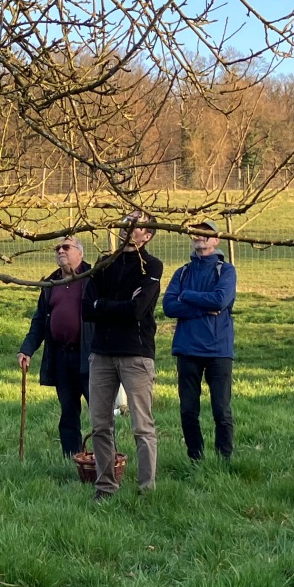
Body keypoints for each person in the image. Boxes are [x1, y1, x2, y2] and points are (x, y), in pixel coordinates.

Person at [84, 212, 163, 497]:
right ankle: (105, 486)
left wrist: (103, 305)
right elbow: (87, 309)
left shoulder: (151, 266)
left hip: (136, 353)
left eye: (136, 225)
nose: (128, 229)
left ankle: (146, 490)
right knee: (100, 424)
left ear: (148, 235)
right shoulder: (104, 263)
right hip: (101, 353)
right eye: (125, 223)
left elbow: (138, 310)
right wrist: (116, 305)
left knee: (142, 425)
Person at [162, 220, 237, 461]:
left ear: (216, 240)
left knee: (221, 410)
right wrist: (201, 307)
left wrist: (188, 296)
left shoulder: (226, 270)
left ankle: (224, 459)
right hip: (187, 349)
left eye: (206, 233)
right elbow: (169, 306)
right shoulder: (182, 272)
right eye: (195, 232)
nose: (199, 237)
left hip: (218, 350)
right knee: (188, 410)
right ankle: (195, 458)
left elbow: (220, 301)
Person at [18, 235, 94, 458]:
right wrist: (27, 349)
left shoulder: (93, 278)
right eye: (57, 248)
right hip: (61, 356)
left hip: (89, 356)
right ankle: (72, 459)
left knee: (99, 414)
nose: (60, 250)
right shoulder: (51, 284)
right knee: (68, 412)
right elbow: (40, 320)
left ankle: (106, 459)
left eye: (66, 247)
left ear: (80, 253)